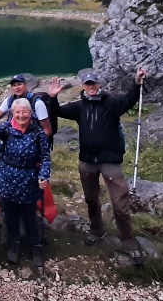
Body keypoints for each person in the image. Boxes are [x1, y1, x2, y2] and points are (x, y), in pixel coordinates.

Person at [48, 67, 147, 262]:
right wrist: (53, 97)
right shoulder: (79, 106)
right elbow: (57, 111)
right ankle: (97, 231)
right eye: (87, 84)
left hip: (109, 160)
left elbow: (130, 99)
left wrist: (137, 82)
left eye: (93, 83)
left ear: (99, 84)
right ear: (83, 86)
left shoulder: (112, 102)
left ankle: (128, 241)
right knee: (91, 199)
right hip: (87, 161)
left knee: (120, 202)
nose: (91, 87)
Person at [0, 98, 51, 266]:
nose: (21, 115)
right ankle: (14, 243)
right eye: (17, 112)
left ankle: (35, 246)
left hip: (28, 178)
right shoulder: (6, 128)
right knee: (10, 212)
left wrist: (43, 176)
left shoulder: (38, 132)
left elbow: (45, 157)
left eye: (24, 112)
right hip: (7, 177)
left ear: (30, 113)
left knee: (29, 214)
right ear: (12, 113)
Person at [0, 74, 53, 180]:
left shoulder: (37, 103)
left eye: (19, 84)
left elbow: (47, 130)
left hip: (31, 142)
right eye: (14, 85)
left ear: (26, 85)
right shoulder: (9, 101)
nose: (17, 87)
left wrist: (33, 143)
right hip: (10, 140)